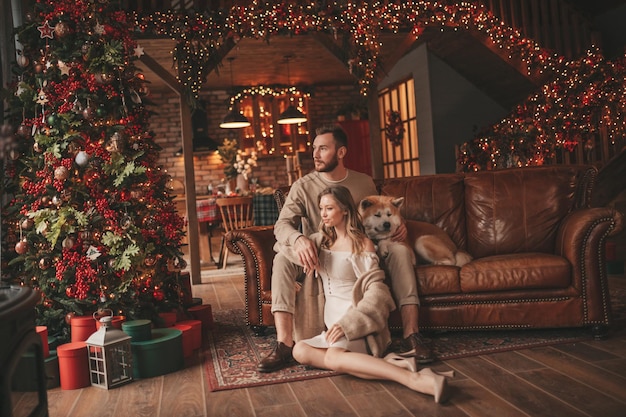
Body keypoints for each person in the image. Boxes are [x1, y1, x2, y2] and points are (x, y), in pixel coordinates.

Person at [257, 124, 433, 374]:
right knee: (281, 260)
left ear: (340, 153)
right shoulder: (302, 186)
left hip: (361, 250)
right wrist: (298, 239)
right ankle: (284, 344)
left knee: (401, 251)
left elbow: (381, 212)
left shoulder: (364, 182)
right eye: (314, 149)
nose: (315, 154)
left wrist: (399, 224)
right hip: (320, 253)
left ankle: (412, 335)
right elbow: (282, 225)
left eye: (323, 149)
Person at [289, 186, 451, 403]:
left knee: (335, 359)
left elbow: (378, 293)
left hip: (357, 325)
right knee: (300, 350)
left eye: (329, 208)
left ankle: (416, 379)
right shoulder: (321, 242)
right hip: (332, 328)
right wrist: (298, 250)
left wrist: (348, 324)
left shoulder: (361, 244)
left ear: (345, 210)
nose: (323, 214)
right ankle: (392, 365)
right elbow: (284, 249)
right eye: (321, 209)